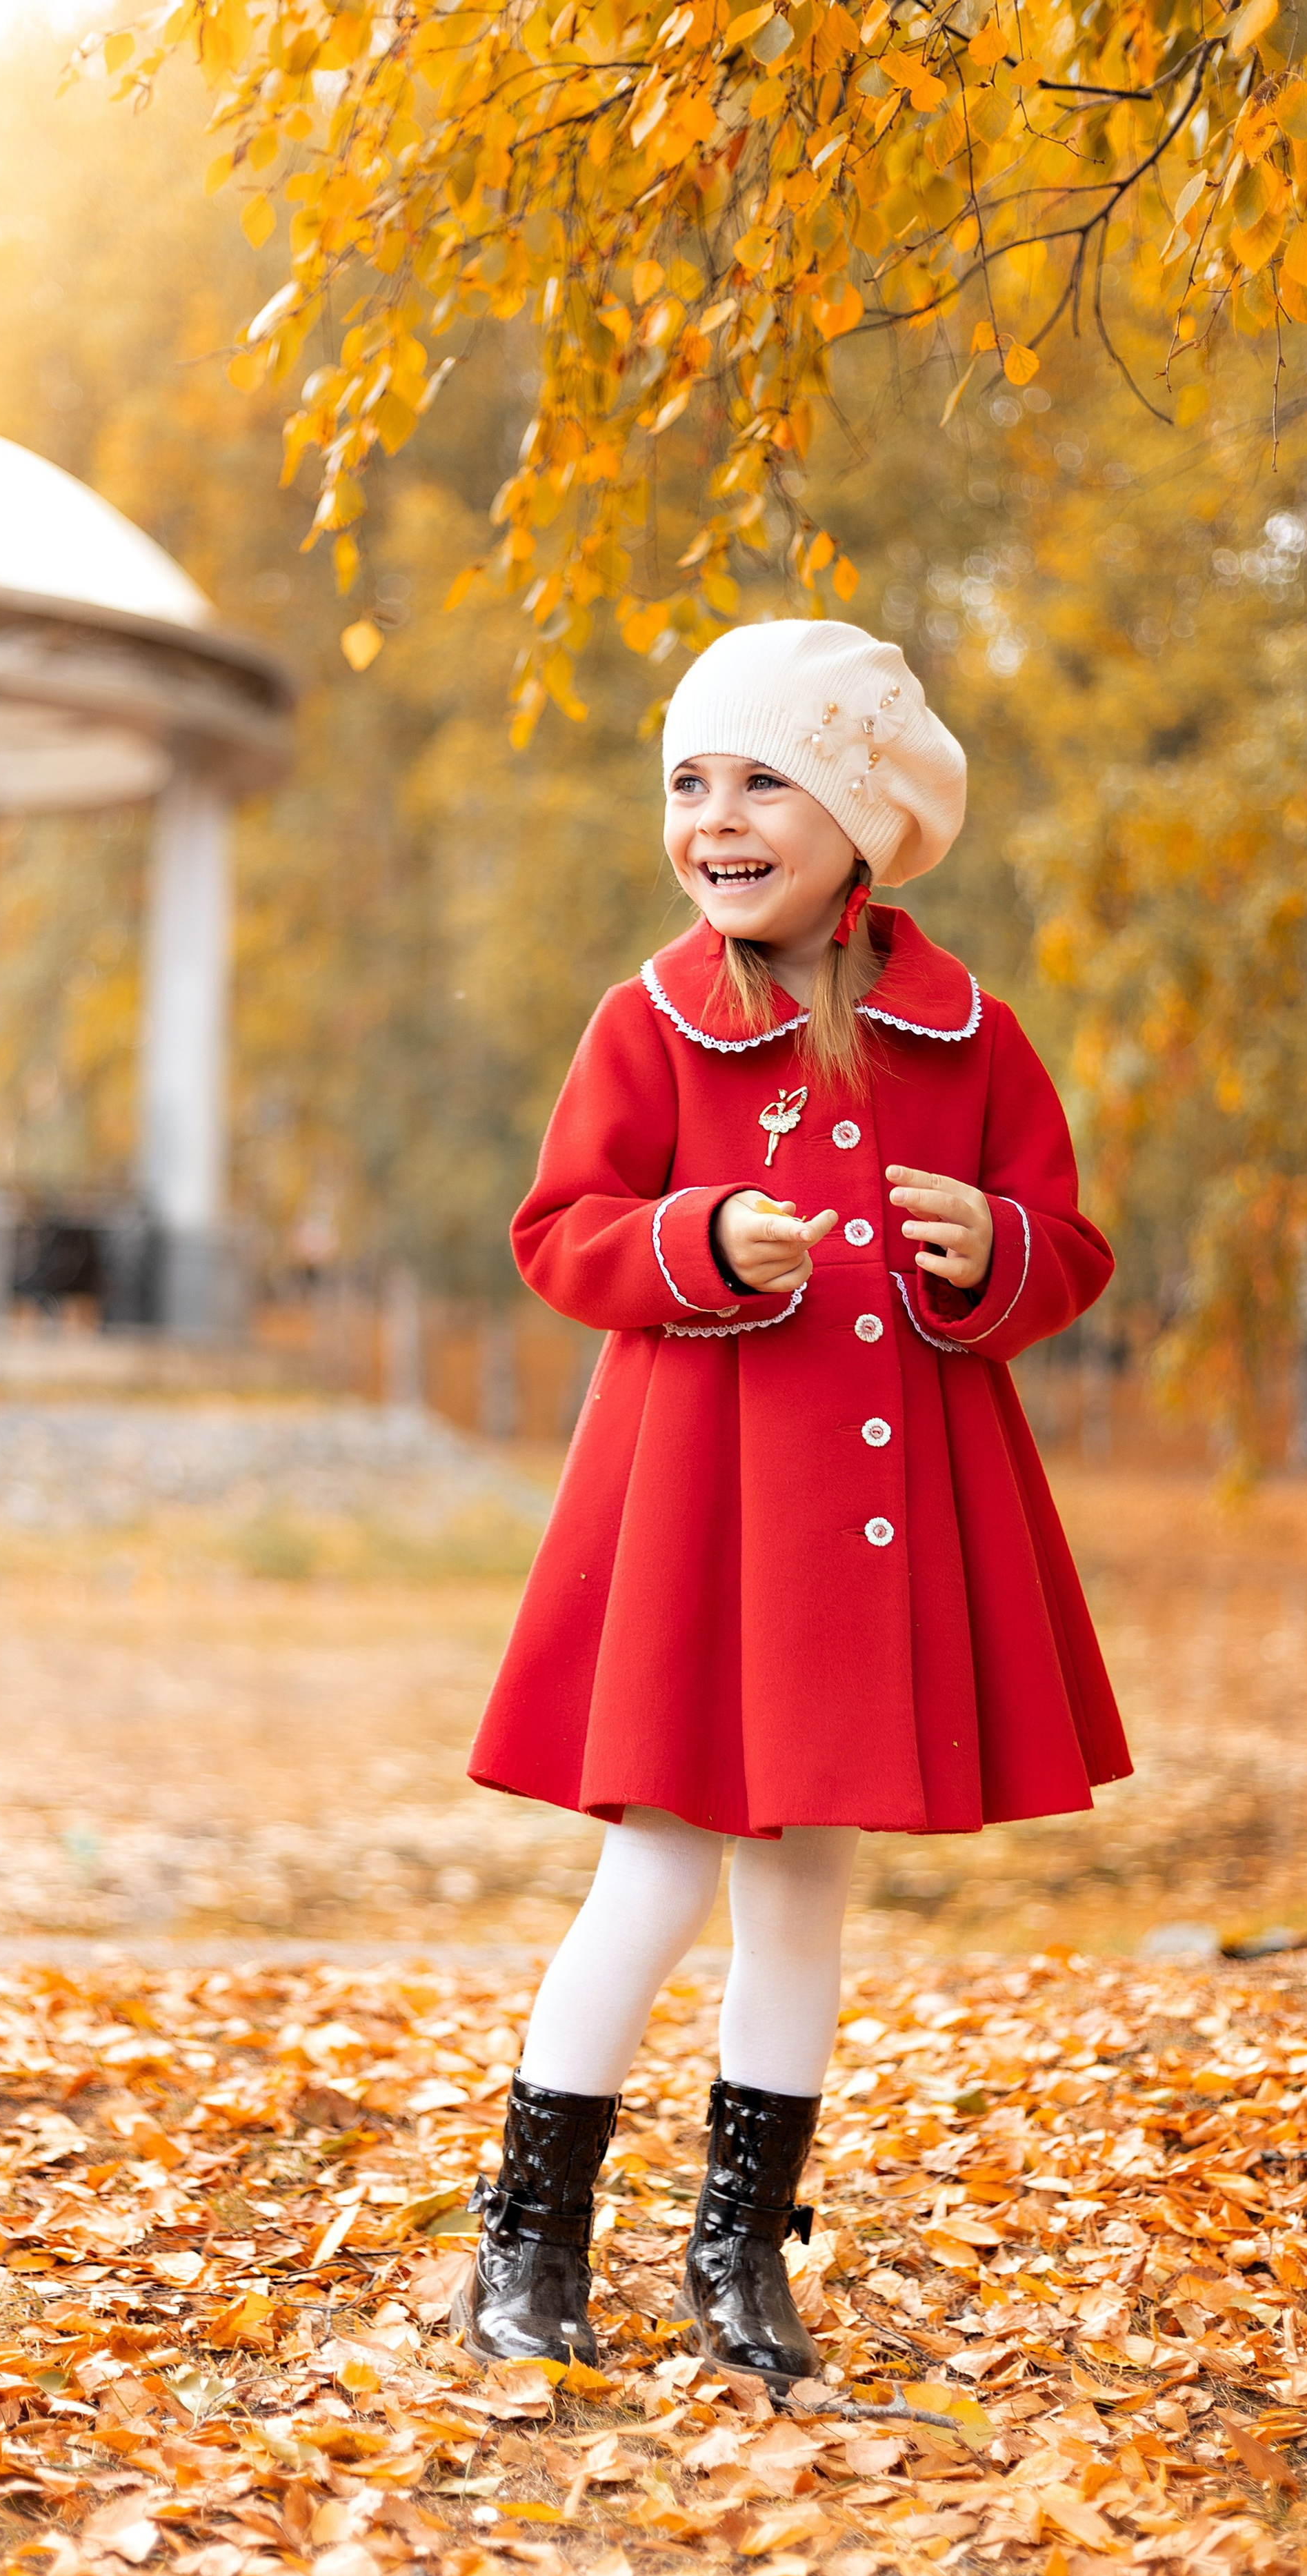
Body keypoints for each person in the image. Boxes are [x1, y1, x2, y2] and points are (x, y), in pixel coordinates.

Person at [453, 618, 1131, 2386]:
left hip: (872, 1533)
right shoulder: (654, 1022)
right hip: (701, 1526)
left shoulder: (964, 1035)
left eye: (763, 777)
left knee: (803, 1893)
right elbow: (557, 1233)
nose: (717, 814)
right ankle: (530, 2245)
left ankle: (739, 2255)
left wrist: (996, 1251)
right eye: (689, 781)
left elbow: (1062, 1242)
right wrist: (690, 1242)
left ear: (858, 815)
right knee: (655, 1872)